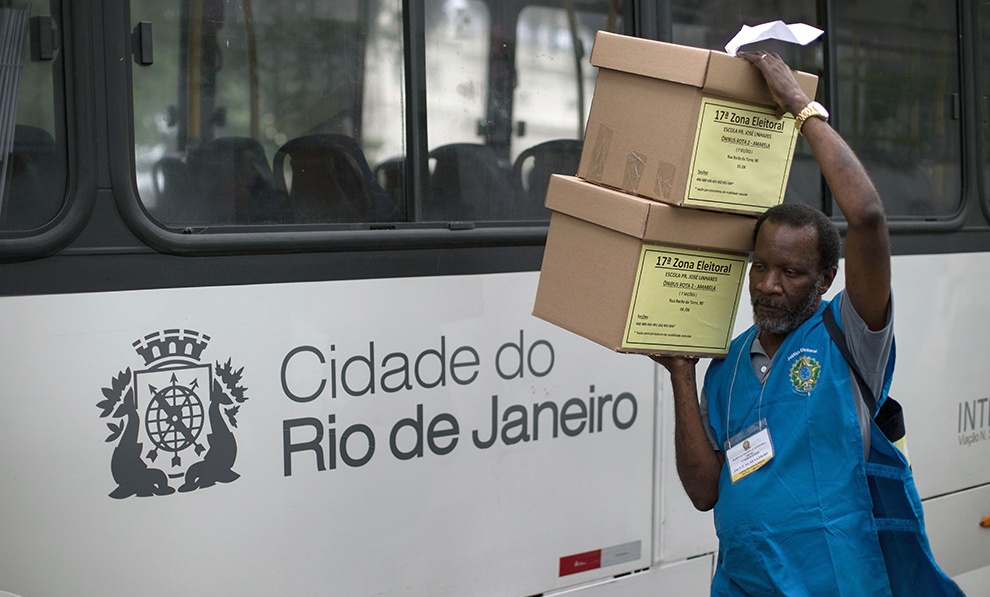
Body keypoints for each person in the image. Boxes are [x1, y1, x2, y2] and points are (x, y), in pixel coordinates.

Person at [652, 51, 963, 596]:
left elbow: (866, 215)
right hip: (743, 585)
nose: (769, 284)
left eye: (792, 272)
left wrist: (799, 106)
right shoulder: (726, 366)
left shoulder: (849, 335)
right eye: (762, 267)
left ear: (825, 279)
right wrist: (681, 372)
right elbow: (704, 491)